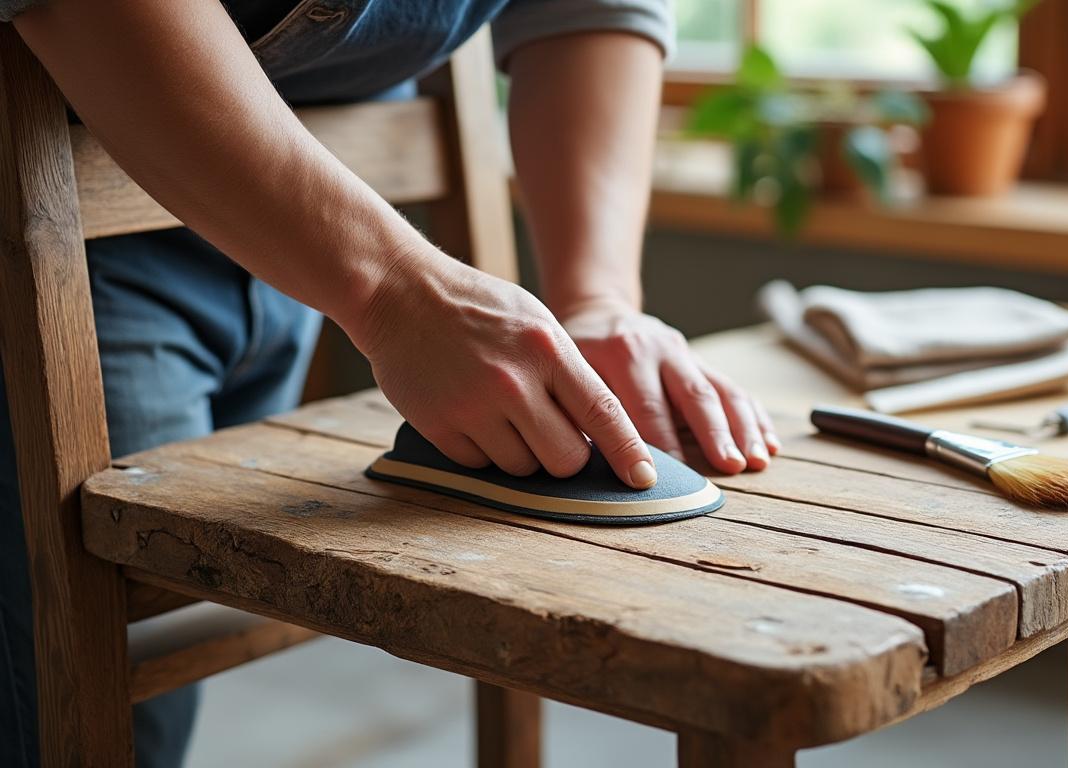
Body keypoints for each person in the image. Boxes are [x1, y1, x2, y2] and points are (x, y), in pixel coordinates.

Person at [0, 1, 780, 765]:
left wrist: (597, 298)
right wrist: (392, 289)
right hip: (66, 228)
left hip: (315, 227)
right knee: (92, 710)